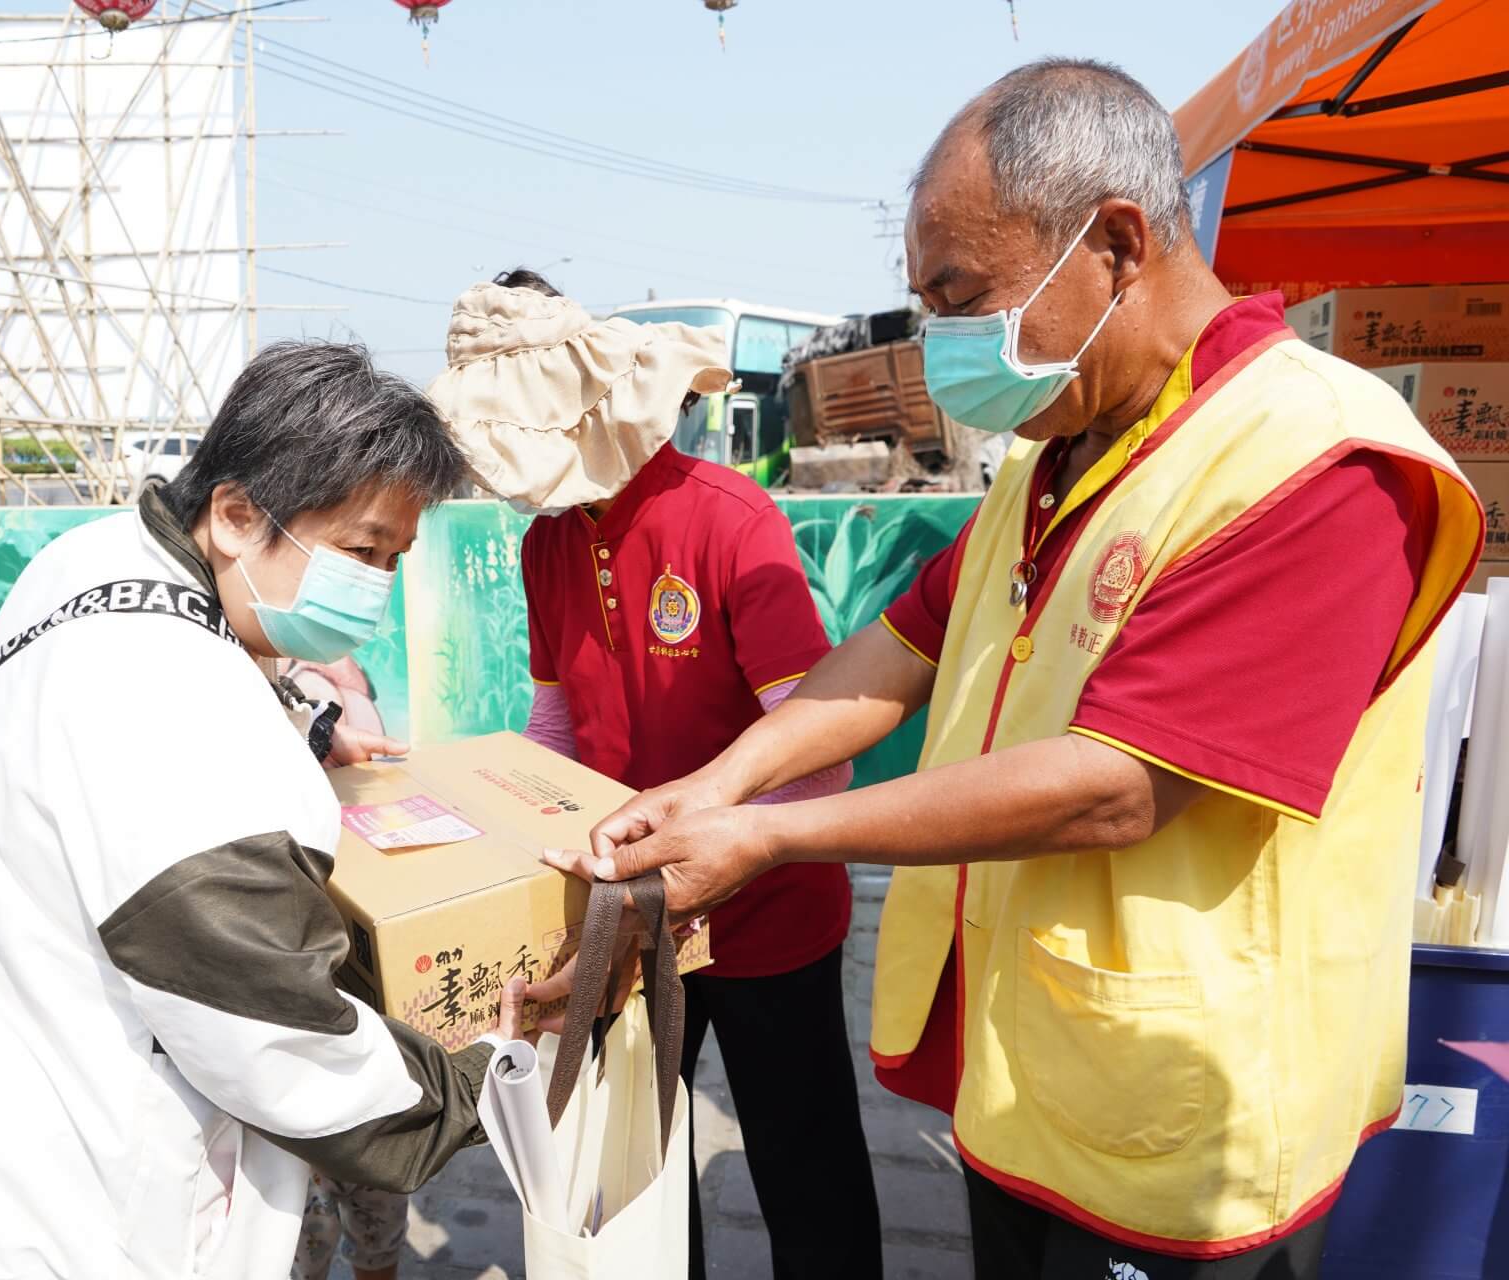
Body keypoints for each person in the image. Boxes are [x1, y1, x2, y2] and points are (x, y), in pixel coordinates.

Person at [547, 60, 1484, 1280]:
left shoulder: (1315, 459)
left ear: (1115, 242)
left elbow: (1124, 783)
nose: (945, 344)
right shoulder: (1060, 456)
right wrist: (720, 783)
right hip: (1034, 1078)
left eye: (964, 297)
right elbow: (900, 649)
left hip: (1191, 1121)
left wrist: (777, 836)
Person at [0, 342, 540, 1279]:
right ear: (239, 514)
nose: (379, 583)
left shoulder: (85, 560)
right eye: (364, 550)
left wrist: (298, 726)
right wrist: (483, 1076)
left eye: (396, 558)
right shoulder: (185, 716)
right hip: (55, 1216)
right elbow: (284, 1052)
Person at [427, 270, 878, 1280]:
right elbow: (556, 719)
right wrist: (515, 830)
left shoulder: (729, 516)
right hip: (630, 918)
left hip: (769, 909)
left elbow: (819, 744)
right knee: (639, 1164)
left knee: (804, 1166)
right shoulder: (549, 540)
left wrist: (725, 851)